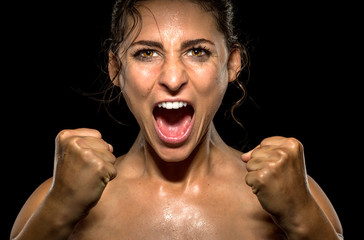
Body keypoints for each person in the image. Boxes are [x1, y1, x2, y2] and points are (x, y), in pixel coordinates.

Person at [10, 0, 343, 239]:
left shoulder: (297, 195)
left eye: (197, 51)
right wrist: (57, 213)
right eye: (147, 52)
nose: (172, 77)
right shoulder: (54, 201)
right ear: (116, 68)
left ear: (232, 64)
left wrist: (303, 220)